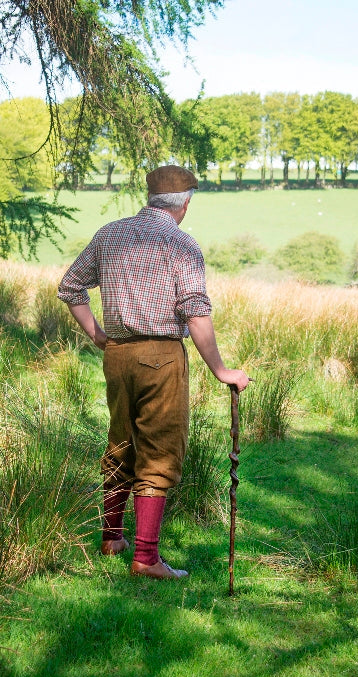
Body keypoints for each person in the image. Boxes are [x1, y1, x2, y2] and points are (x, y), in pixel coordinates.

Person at [57, 164, 250, 580]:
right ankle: (146, 559)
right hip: (161, 357)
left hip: (117, 355)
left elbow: (70, 287)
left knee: (121, 442)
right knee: (158, 452)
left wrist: (98, 336)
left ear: (150, 197)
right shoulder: (182, 244)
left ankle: (112, 538)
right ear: (185, 203)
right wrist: (221, 370)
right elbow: (195, 312)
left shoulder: (109, 234)